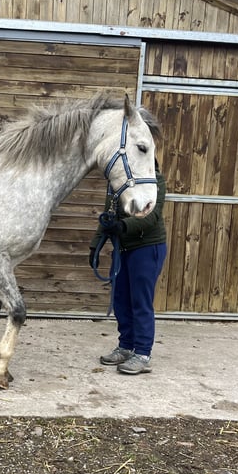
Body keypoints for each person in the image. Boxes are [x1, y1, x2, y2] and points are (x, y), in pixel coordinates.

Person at [89, 160, 167, 375]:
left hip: (147, 247)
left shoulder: (155, 181)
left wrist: (122, 226)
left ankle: (142, 353)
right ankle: (125, 346)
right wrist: (95, 245)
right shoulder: (118, 184)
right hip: (123, 248)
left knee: (140, 302)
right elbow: (108, 215)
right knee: (121, 300)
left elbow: (151, 216)